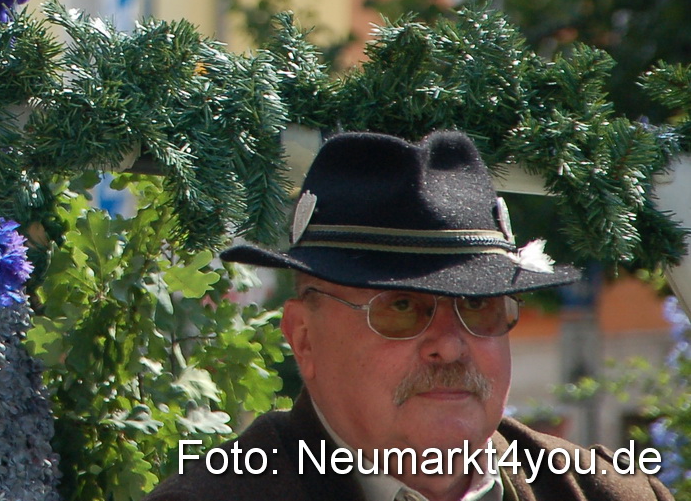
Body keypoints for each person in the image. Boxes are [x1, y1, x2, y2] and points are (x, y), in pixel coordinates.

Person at [145, 130, 670, 501]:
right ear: (303, 339)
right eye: (401, 307)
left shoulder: (606, 493)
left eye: (479, 307)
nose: (450, 345)